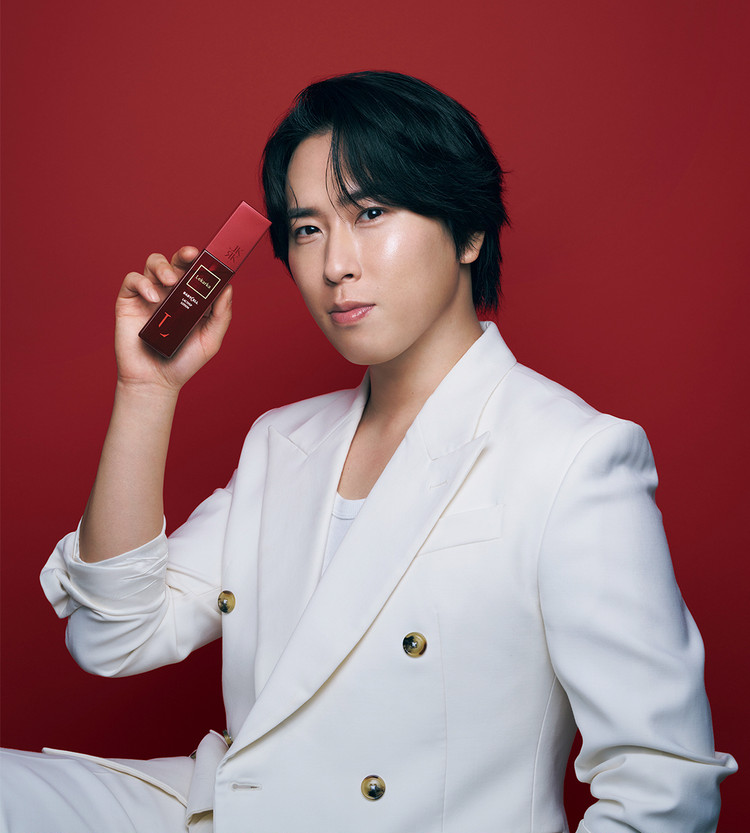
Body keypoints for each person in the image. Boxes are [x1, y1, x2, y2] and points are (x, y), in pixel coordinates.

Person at [0, 71, 736, 833]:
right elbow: (112, 635)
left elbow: (663, 781)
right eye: (307, 228)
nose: (335, 265)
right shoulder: (282, 441)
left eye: (371, 213)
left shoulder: (572, 456)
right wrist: (146, 390)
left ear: (469, 233)